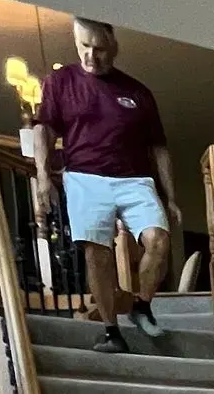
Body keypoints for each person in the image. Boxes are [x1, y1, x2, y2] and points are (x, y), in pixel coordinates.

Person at [33, 20, 179, 352]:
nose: (90, 55)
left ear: (113, 45)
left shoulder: (138, 92)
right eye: (83, 46)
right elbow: (44, 129)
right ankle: (112, 332)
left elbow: (159, 147)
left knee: (158, 240)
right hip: (85, 177)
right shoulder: (61, 82)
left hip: (135, 179)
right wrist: (43, 176)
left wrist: (171, 197)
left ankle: (142, 305)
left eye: (98, 48)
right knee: (96, 253)